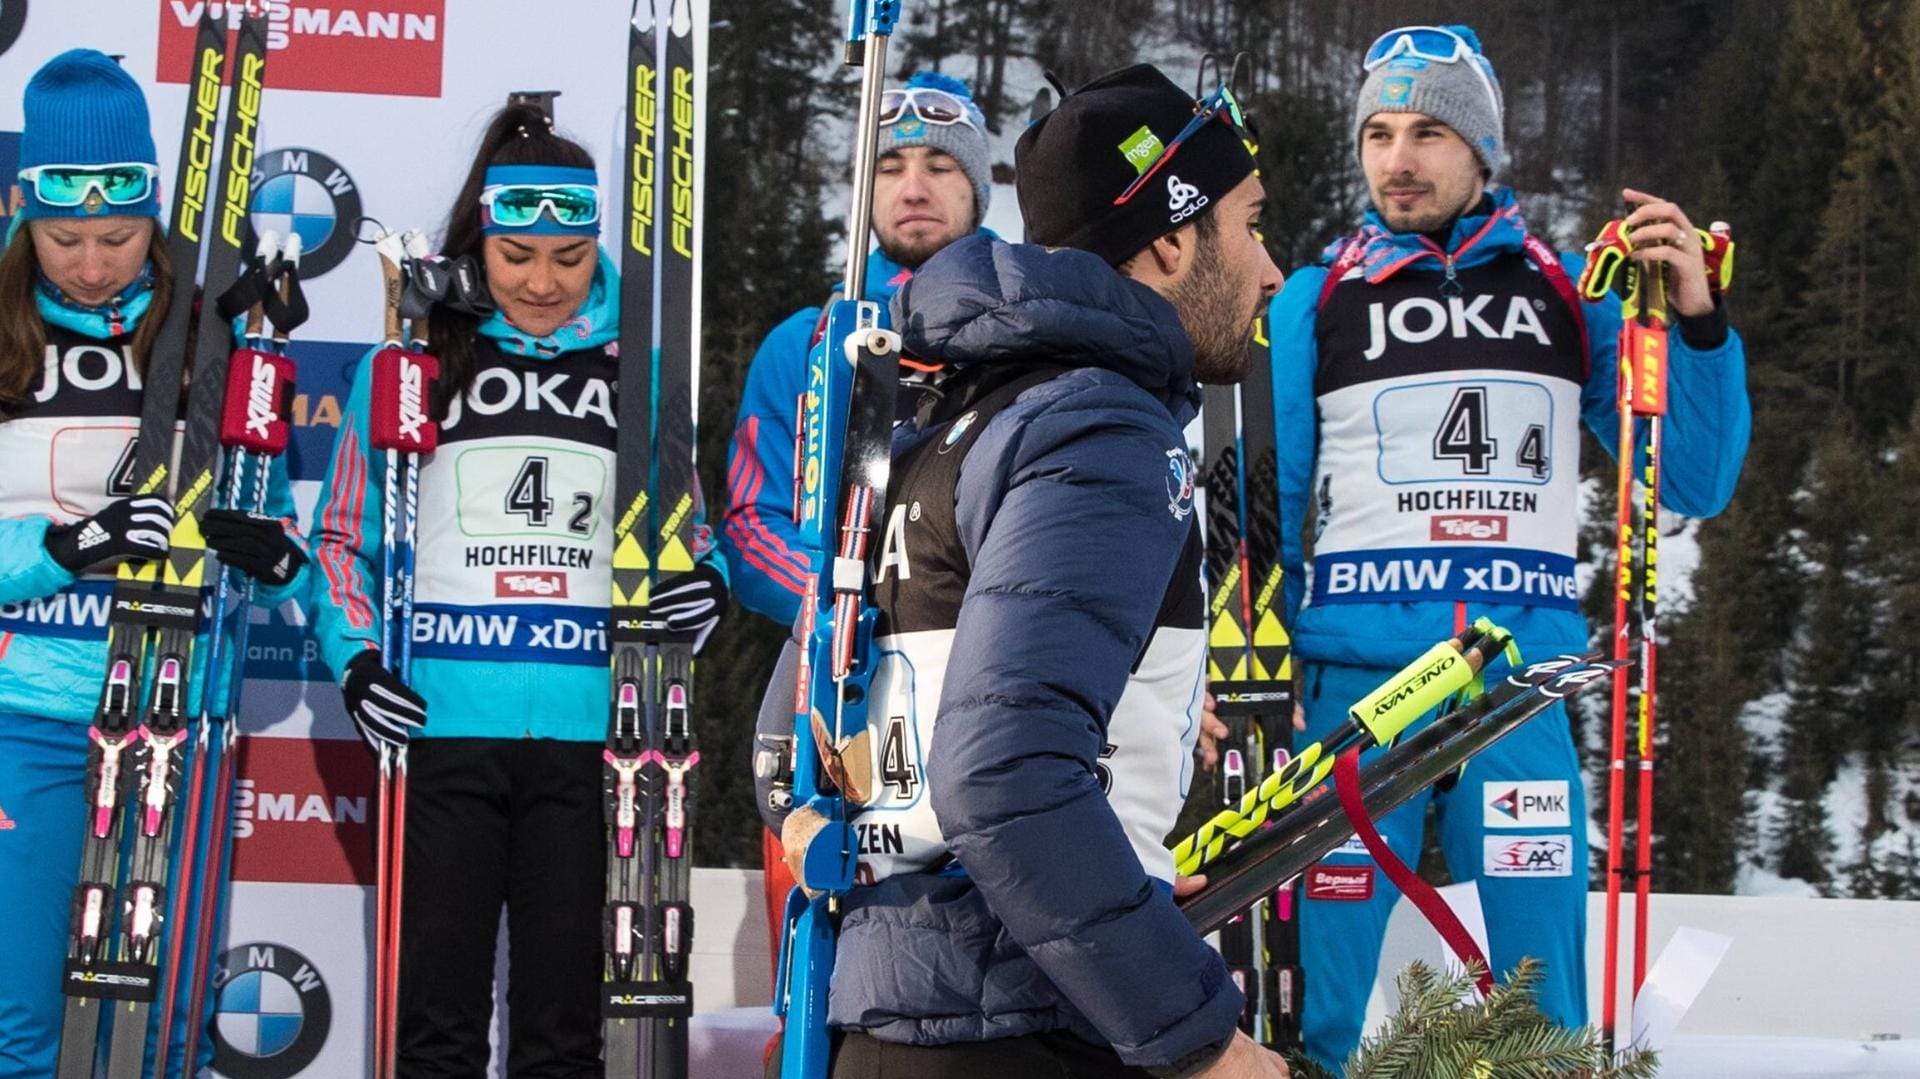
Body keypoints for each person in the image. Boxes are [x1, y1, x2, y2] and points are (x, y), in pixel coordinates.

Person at [764, 64, 1290, 1078]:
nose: (1269, 268)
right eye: (1249, 223)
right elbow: (1003, 771)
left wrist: (1113, 882)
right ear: (1173, 238)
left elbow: (790, 736)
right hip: (1028, 1030)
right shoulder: (1099, 430)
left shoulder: (936, 425)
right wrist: (1199, 1038)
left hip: (891, 1021)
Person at [1266, 24, 1751, 1067]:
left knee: (1539, 1009)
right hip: (1357, 690)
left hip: (1515, 688)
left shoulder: (1578, 292)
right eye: (1380, 133)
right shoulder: (1319, 299)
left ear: (1482, 150)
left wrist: (1700, 323)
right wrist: (1255, 674)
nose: (1398, 158)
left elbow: (1693, 477)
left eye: (1430, 132)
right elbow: (1271, 509)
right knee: (1324, 1000)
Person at [304, 102, 728, 1075]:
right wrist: (359, 658)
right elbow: (339, 537)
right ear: (480, 240)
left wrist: (700, 586)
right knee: (437, 1032)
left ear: (596, 250)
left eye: (568, 257)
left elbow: (689, 537)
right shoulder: (413, 365)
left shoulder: (640, 375)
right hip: (442, 729)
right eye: (517, 253)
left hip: (593, 737)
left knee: (563, 1036)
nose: (543, 281)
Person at [0, 49, 311, 1079]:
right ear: (22, 212)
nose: (91, 263)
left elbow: (268, 518)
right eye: (65, 238)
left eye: (119, 236)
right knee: (21, 1015)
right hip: (26, 708)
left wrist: (266, 548)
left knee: (168, 1019)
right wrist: (65, 548)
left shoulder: (212, 333)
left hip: (174, 705)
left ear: (156, 219)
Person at [721, 69, 998, 973]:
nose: (913, 186)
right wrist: (836, 601)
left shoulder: (1024, 326)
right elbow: (750, 518)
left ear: (978, 186)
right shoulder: (807, 338)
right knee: (819, 964)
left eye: (939, 167)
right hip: (836, 681)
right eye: (890, 166)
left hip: (981, 674)